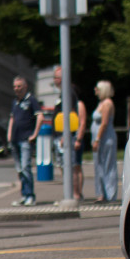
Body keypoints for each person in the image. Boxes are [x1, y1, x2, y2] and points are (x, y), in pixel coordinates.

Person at [6, 75, 44, 206]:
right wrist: (9, 134)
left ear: (25, 87)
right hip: (15, 140)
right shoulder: (15, 102)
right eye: (15, 87)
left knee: (25, 167)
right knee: (19, 169)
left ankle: (30, 196)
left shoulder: (31, 100)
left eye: (19, 86)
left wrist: (34, 134)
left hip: (25, 140)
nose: (16, 89)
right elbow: (12, 119)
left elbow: (40, 117)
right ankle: (24, 194)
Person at [52, 65, 87, 200]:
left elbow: (71, 115)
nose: (54, 80)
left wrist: (65, 135)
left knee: (71, 166)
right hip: (62, 135)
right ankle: (71, 193)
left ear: (61, 79)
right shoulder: (64, 93)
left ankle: (75, 195)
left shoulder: (69, 93)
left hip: (66, 136)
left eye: (55, 77)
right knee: (65, 166)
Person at [91, 80, 119, 202]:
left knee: (108, 165)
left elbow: (104, 123)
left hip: (105, 138)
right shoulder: (101, 103)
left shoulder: (107, 104)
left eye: (97, 88)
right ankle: (101, 193)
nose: (95, 90)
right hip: (99, 138)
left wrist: (97, 139)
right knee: (99, 166)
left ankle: (110, 194)